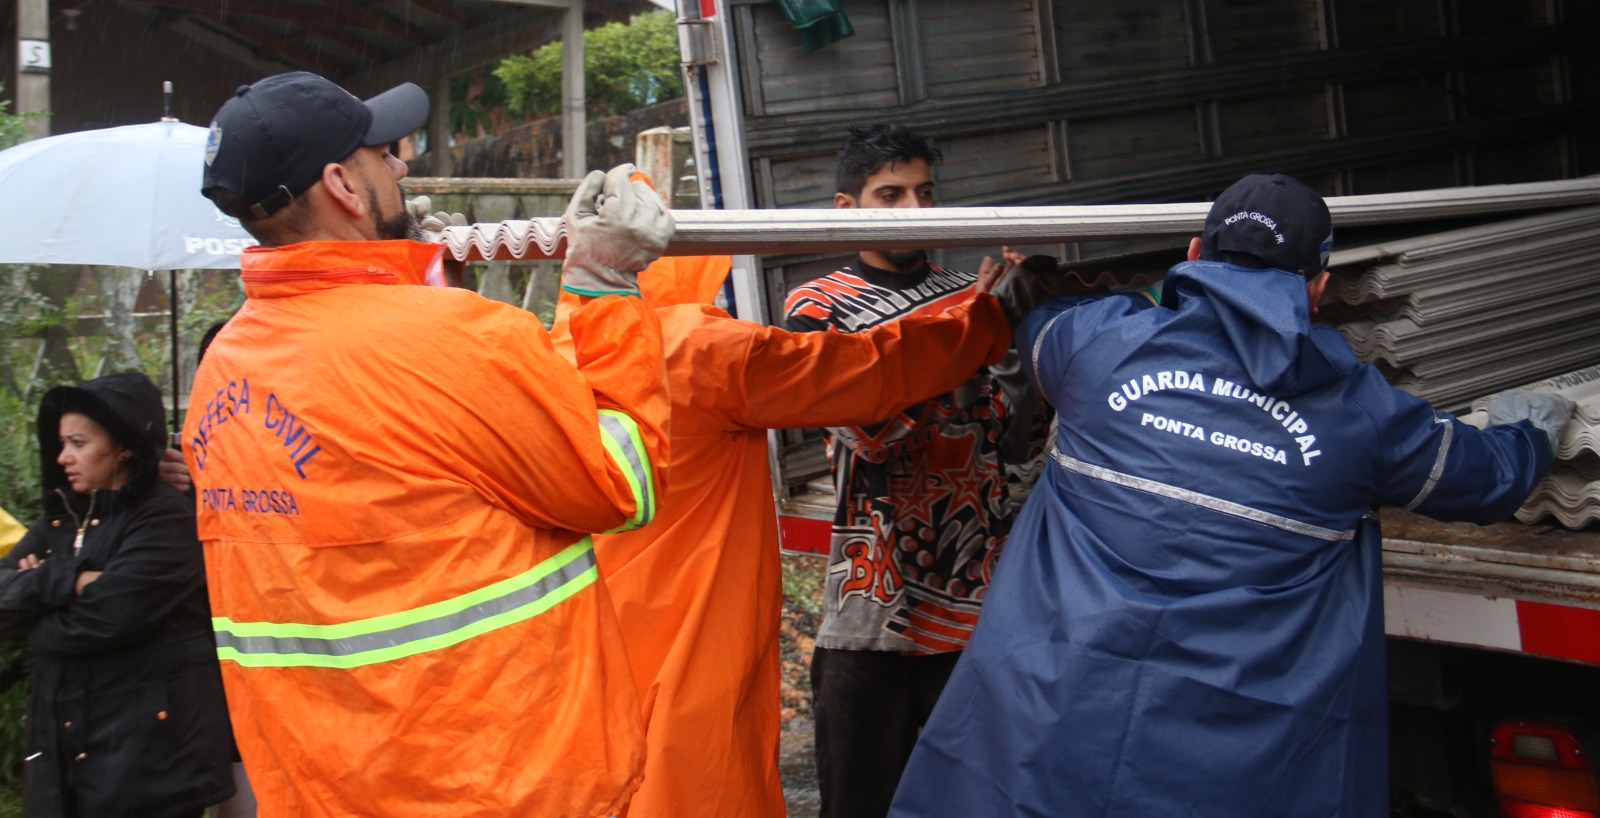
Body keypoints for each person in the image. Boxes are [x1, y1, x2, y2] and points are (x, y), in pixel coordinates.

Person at [888, 173, 1570, 818]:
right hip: (1230, 763)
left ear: (1192, 254)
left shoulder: (1095, 347)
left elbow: (1038, 317)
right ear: (1318, 288)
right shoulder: (1361, 417)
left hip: (1050, 723)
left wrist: (1074, 287)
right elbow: (1486, 478)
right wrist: (1535, 429)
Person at [185, 71, 673, 818]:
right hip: (503, 787)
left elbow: (392, 496)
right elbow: (622, 480)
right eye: (384, 153)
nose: (402, 167)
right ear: (344, 185)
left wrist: (412, 286)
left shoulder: (225, 367)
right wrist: (603, 288)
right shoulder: (453, 344)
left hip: (332, 793)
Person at [547, 247, 1016, 818]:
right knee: (692, 780)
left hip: (592, 632)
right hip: (691, 629)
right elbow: (867, 374)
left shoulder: (560, 348)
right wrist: (983, 317)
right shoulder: (695, 348)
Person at [782, 123, 1049, 818]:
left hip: (979, 607)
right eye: (890, 194)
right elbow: (873, 432)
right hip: (875, 607)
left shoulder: (975, 293)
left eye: (925, 194)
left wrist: (1030, 315)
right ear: (849, 209)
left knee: (988, 802)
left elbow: (1014, 434)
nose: (914, 210)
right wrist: (965, 330)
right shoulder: (818, 308)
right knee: (862, 802)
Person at [0, 372, 235, 818]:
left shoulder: (165, 519)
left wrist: (35, 608)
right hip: (62, 754)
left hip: (146, 762)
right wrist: (69, 582)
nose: (63, 457)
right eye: (62, 443)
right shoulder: (62, 518)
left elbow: (108, 619)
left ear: (124, 446)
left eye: (78, 443)